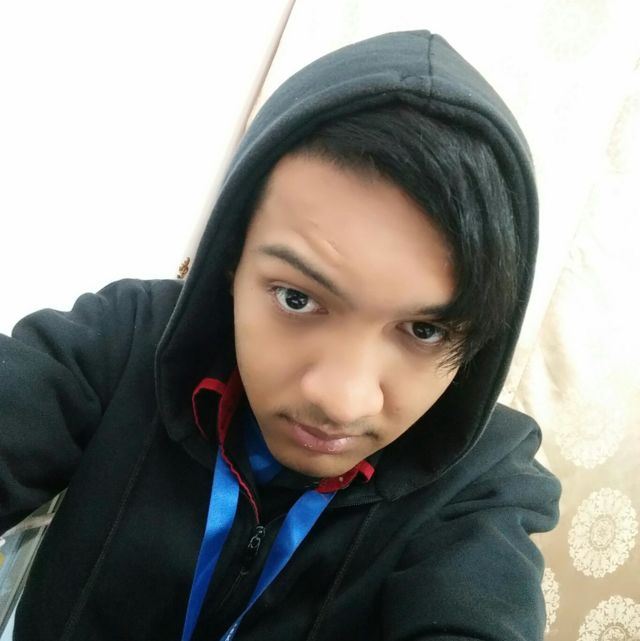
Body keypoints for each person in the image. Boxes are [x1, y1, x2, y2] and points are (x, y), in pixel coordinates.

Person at [0, 30, 561, 641]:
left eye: (424, 330)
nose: (341, 401)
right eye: (298, 299)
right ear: (231, 259)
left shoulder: (482, 482)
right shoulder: (125, 341)